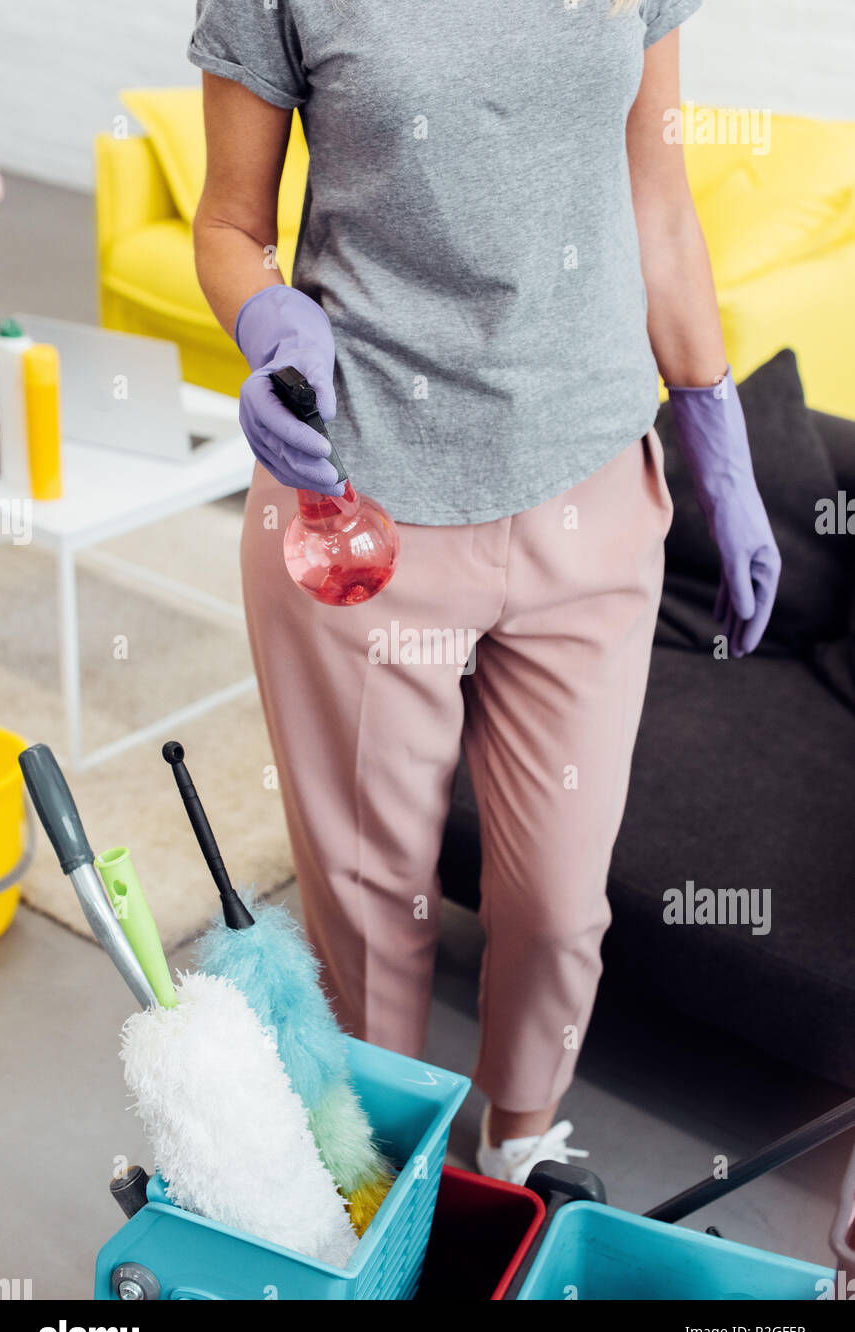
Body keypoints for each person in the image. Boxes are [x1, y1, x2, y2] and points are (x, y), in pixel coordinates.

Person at [188, 0, 780, 1182]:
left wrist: (717, 422)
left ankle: (517, 1147)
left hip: (595, 490)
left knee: (562, 902)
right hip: (358, 509)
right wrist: (267, 318)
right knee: (372, 912)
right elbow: (228, 225)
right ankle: (384, 1176)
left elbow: (657, 204)